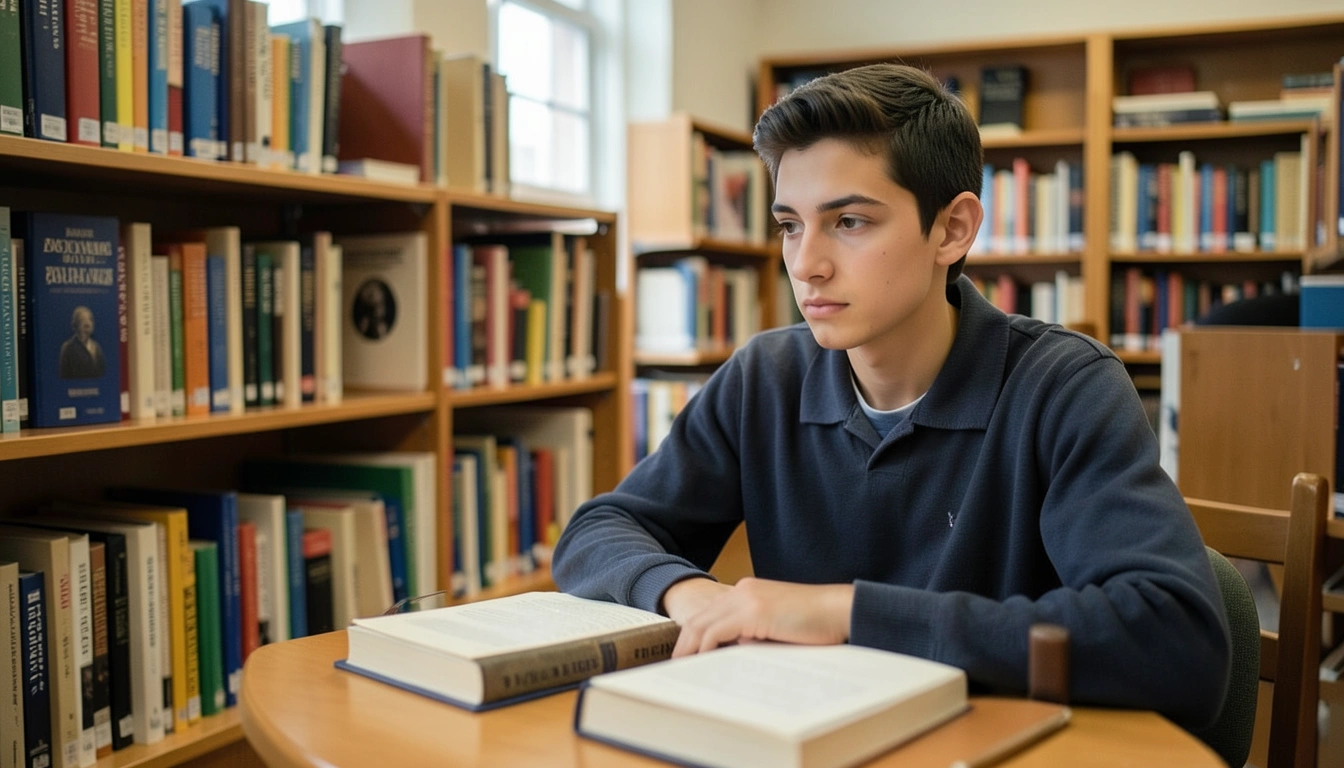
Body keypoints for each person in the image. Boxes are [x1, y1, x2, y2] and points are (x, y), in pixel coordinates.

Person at [552, 63, 1231, 730]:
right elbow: (595, 533)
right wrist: (689, 594)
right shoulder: (764, 378)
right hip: (812, 739)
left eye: (849, 221)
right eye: (790, 224)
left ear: (953, 230)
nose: (806, 263)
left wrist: (841, 614)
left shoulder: (1062, 386)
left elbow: (1180, 642)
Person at [59, 306, 107, 379]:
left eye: (90, 319)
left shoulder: (96, 347)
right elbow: (64, 375)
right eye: (82, 320)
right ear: (75, 325)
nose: (87, 323)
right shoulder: (68, 348)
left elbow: (102, 372)